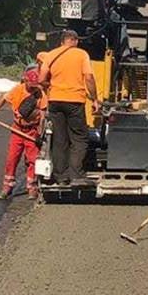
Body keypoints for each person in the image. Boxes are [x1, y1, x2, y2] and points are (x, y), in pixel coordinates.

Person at [38, 30, 99, 185]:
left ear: (62, 41)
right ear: (74, 40)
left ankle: (61, 177)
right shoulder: (81, 54)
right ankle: (76, 175)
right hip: (74, 102)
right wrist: (94, 99)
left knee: (59, 140)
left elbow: (41, 79)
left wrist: (52, 86)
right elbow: (89, 78)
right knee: (79, 138)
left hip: (55, 101)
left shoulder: (51, 55)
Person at [0, 66, 47, 199]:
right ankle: (7, 187)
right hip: (17, 130)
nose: (33, 88)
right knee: (12, 158)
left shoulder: (40, 94)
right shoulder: (17, 90)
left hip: (32, 131)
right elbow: (3, 98)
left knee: (33, 160)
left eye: (35, 86)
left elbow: (42, 116)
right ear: (25, 81)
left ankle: (32, 187)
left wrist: (39, 134)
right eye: (31, 86)